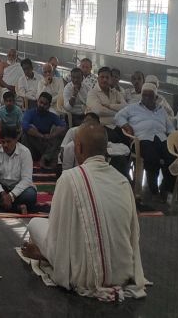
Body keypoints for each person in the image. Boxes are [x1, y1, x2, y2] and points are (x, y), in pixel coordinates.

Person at [22, 122, 146, 301]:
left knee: (35, 223)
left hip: (82, 276)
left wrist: (47, 252)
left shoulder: (69, 178)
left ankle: (43, 256)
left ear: (78, 147)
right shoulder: (123, 181)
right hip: (122, 272)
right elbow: (134, 234)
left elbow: (56, 234)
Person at [115, 83, 175, 197]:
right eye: (144, 95)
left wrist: (172, 138)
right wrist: (127, 127)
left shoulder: (161, 110)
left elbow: (170, 128)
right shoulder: (133, 107)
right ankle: (153, 190)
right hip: (142, 139)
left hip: (161, 139)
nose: (146, 98)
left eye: (150, 96)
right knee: (152, 158)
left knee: (172, 158)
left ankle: (166, 187)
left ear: (156, 97)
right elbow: (118, 117)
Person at [0, 126, 36, 214]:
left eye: (8, 141)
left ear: (16, 140)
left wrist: (11, 195)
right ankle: (17, 208)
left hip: (19, 189)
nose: (5, 145)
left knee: (30, 194)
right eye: (3, 142)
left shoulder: (25, 152)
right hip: (2, 188)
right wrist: (3, 194)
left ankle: (4, 205)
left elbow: (26, 179)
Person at [22, 92, 67, 167]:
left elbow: (64, 126)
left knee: (60, 134)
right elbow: (25, 126)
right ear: (37, 101)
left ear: (49, 106)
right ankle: (29, 159)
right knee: (26, 133)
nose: (42, 105)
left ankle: (45, 158)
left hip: (45, 145)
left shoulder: (51, 116)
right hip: (32, 146)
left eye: (45, 104)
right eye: (41, 102)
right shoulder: (29, 113)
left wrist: (51, 135)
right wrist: (40, 135)